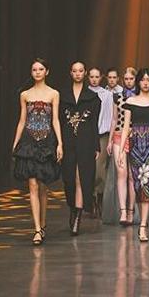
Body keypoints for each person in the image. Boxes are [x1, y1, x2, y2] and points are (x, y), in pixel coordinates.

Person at [12, 58, 63, 245]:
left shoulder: (54, 94)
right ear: (31, 72)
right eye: (34, 69)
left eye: (41, 69)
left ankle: (42, 224)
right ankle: (36, 230)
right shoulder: (25, 94)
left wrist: (60, 144)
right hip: (29, 141)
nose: (37, 72)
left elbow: (55, 119)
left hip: (47, 142)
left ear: (47, 71)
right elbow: (22, 120)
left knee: (43, 186)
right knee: (32, 184)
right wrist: (15, 143)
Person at [116, 68, 149, 242]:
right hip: (135, 144)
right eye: (142, 79)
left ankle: (143, 225)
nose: (145, 83)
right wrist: (121, 151)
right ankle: (141, 222)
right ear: (138, 82)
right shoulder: (131, 101)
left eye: (148, 80)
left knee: (148, 184)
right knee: (138, 185)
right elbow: (126, 127)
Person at [60, 60, 101, 236]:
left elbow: (94, 124)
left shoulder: (93, 98)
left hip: (86, 141)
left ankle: (77, 216)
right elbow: (59, 122)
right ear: (71, 73)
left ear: (85, 73)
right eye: (75, 71)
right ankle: (73, 208)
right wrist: (58, 143)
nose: (78, 73)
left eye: (80, 71)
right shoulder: (63, 96)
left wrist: (96, 145)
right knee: (69, 178)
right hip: (67, 140)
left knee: (80, 177)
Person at [103, 68, 137, 225]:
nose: (128, 81)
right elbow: (114, 119)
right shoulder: (118, 97)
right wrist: (110, 140)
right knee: (121, 173)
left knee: (133, 176)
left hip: (136, 138)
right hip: (118, 136)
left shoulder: (139, 98)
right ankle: (123, 211)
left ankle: (131, 211)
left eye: (131, 79)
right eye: (126, 79)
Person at [88, 66, 114, 218]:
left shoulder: (107, 95)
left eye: (97, 77)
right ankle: (91, 200)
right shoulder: (85, 93)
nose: (94, 79)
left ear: (101, 78)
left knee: (99, 169)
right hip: (87, 136)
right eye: (91, 76)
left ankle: (99, 199)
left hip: (102, 134)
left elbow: (111, 117)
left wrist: (110, 138)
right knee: (88, 167)